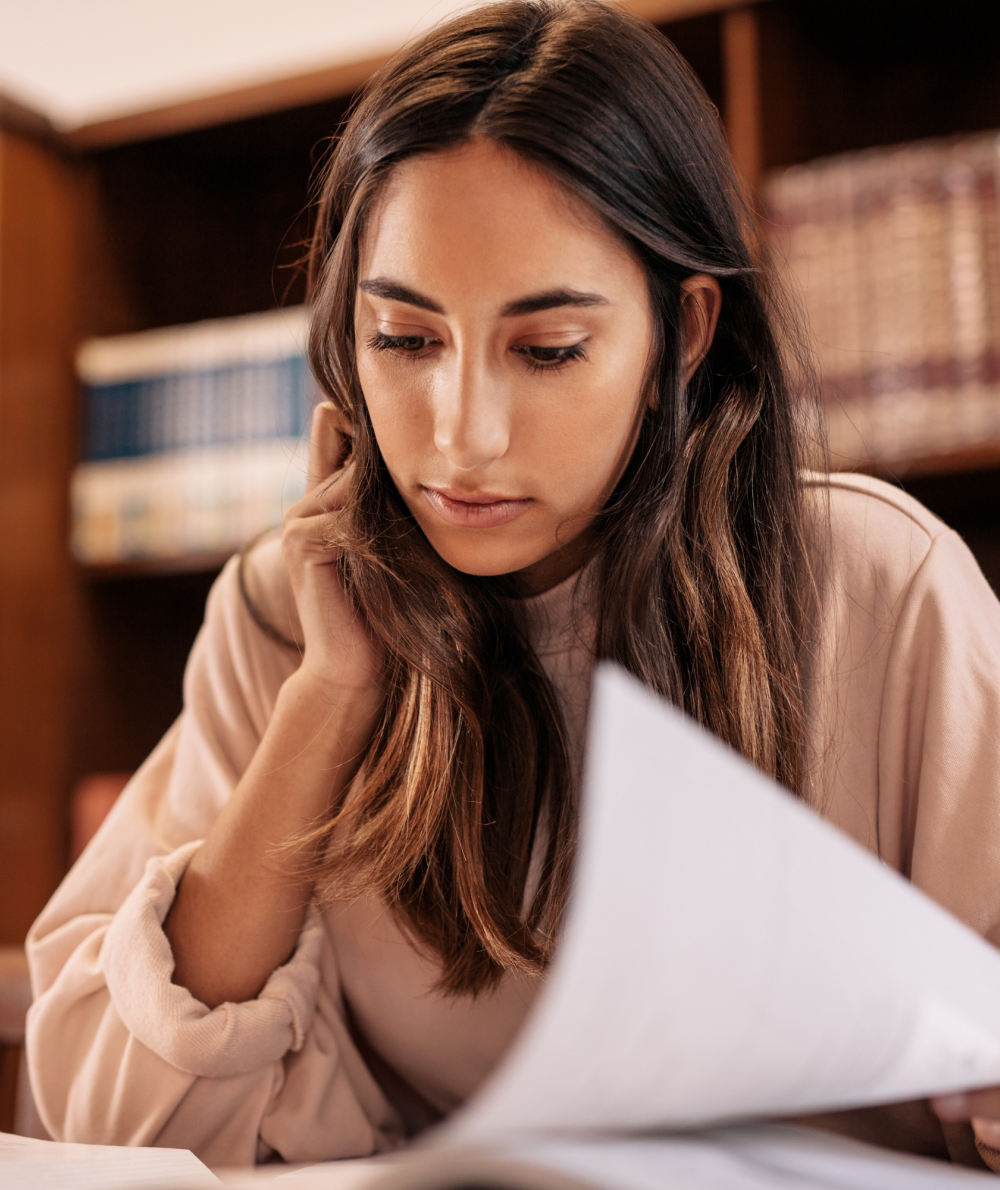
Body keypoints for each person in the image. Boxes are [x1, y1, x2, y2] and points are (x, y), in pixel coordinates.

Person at [24, 0, 1000, 1171]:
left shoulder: (880, 589)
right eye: (404, 338)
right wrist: (332, 696)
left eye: (544, 350)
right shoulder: (289, 613)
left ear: (678, 339)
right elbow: (117, 1120)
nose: (461, 437)